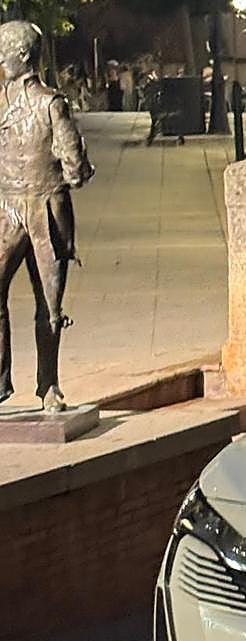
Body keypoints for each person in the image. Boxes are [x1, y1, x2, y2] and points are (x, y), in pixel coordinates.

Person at [0, 20, 95, 411]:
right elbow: (76, 168)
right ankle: (42, 387)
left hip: (35, 210)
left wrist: (73, 168)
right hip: (19, 207)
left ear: (23, 56)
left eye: (4, 52)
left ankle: (48, 384)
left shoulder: (50, 103)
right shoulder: (44, 102)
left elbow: (73, 166)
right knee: (48, 304)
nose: (0, 59)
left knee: (50, 304)